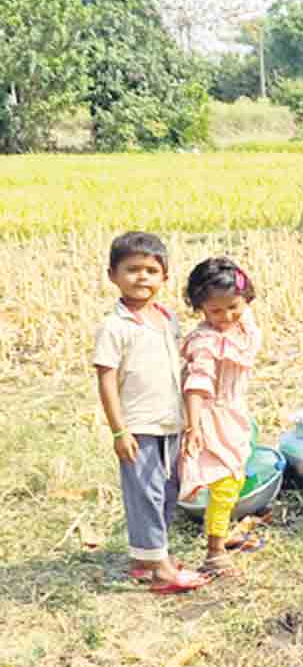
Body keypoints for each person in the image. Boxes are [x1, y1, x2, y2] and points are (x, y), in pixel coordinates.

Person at [93, 232, 208, 594]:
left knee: (167, 490)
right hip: (139, 425)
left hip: (170, 420)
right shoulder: (115, 326)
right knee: (145, 494)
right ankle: (160, 570)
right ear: (113, 275)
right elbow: (106, 380)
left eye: (150, 270)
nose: (142, 277)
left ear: (164, 278)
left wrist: (192, 419)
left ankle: (146, 558)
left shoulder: (166, 318)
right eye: (132, 269)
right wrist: (119, 430)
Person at [179, 257, 264, 579]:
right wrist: (193, 425)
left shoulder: (241, 327)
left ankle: (221, 530)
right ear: (200, 308)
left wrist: (239, 292)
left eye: (234, 307)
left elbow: (249, 320)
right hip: (211, 416)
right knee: (225, 482)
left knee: (235, 477)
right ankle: (214, 553)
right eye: (215, 311)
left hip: (234, 412)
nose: (226, 317)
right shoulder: (206, 343)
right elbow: (197, 385)